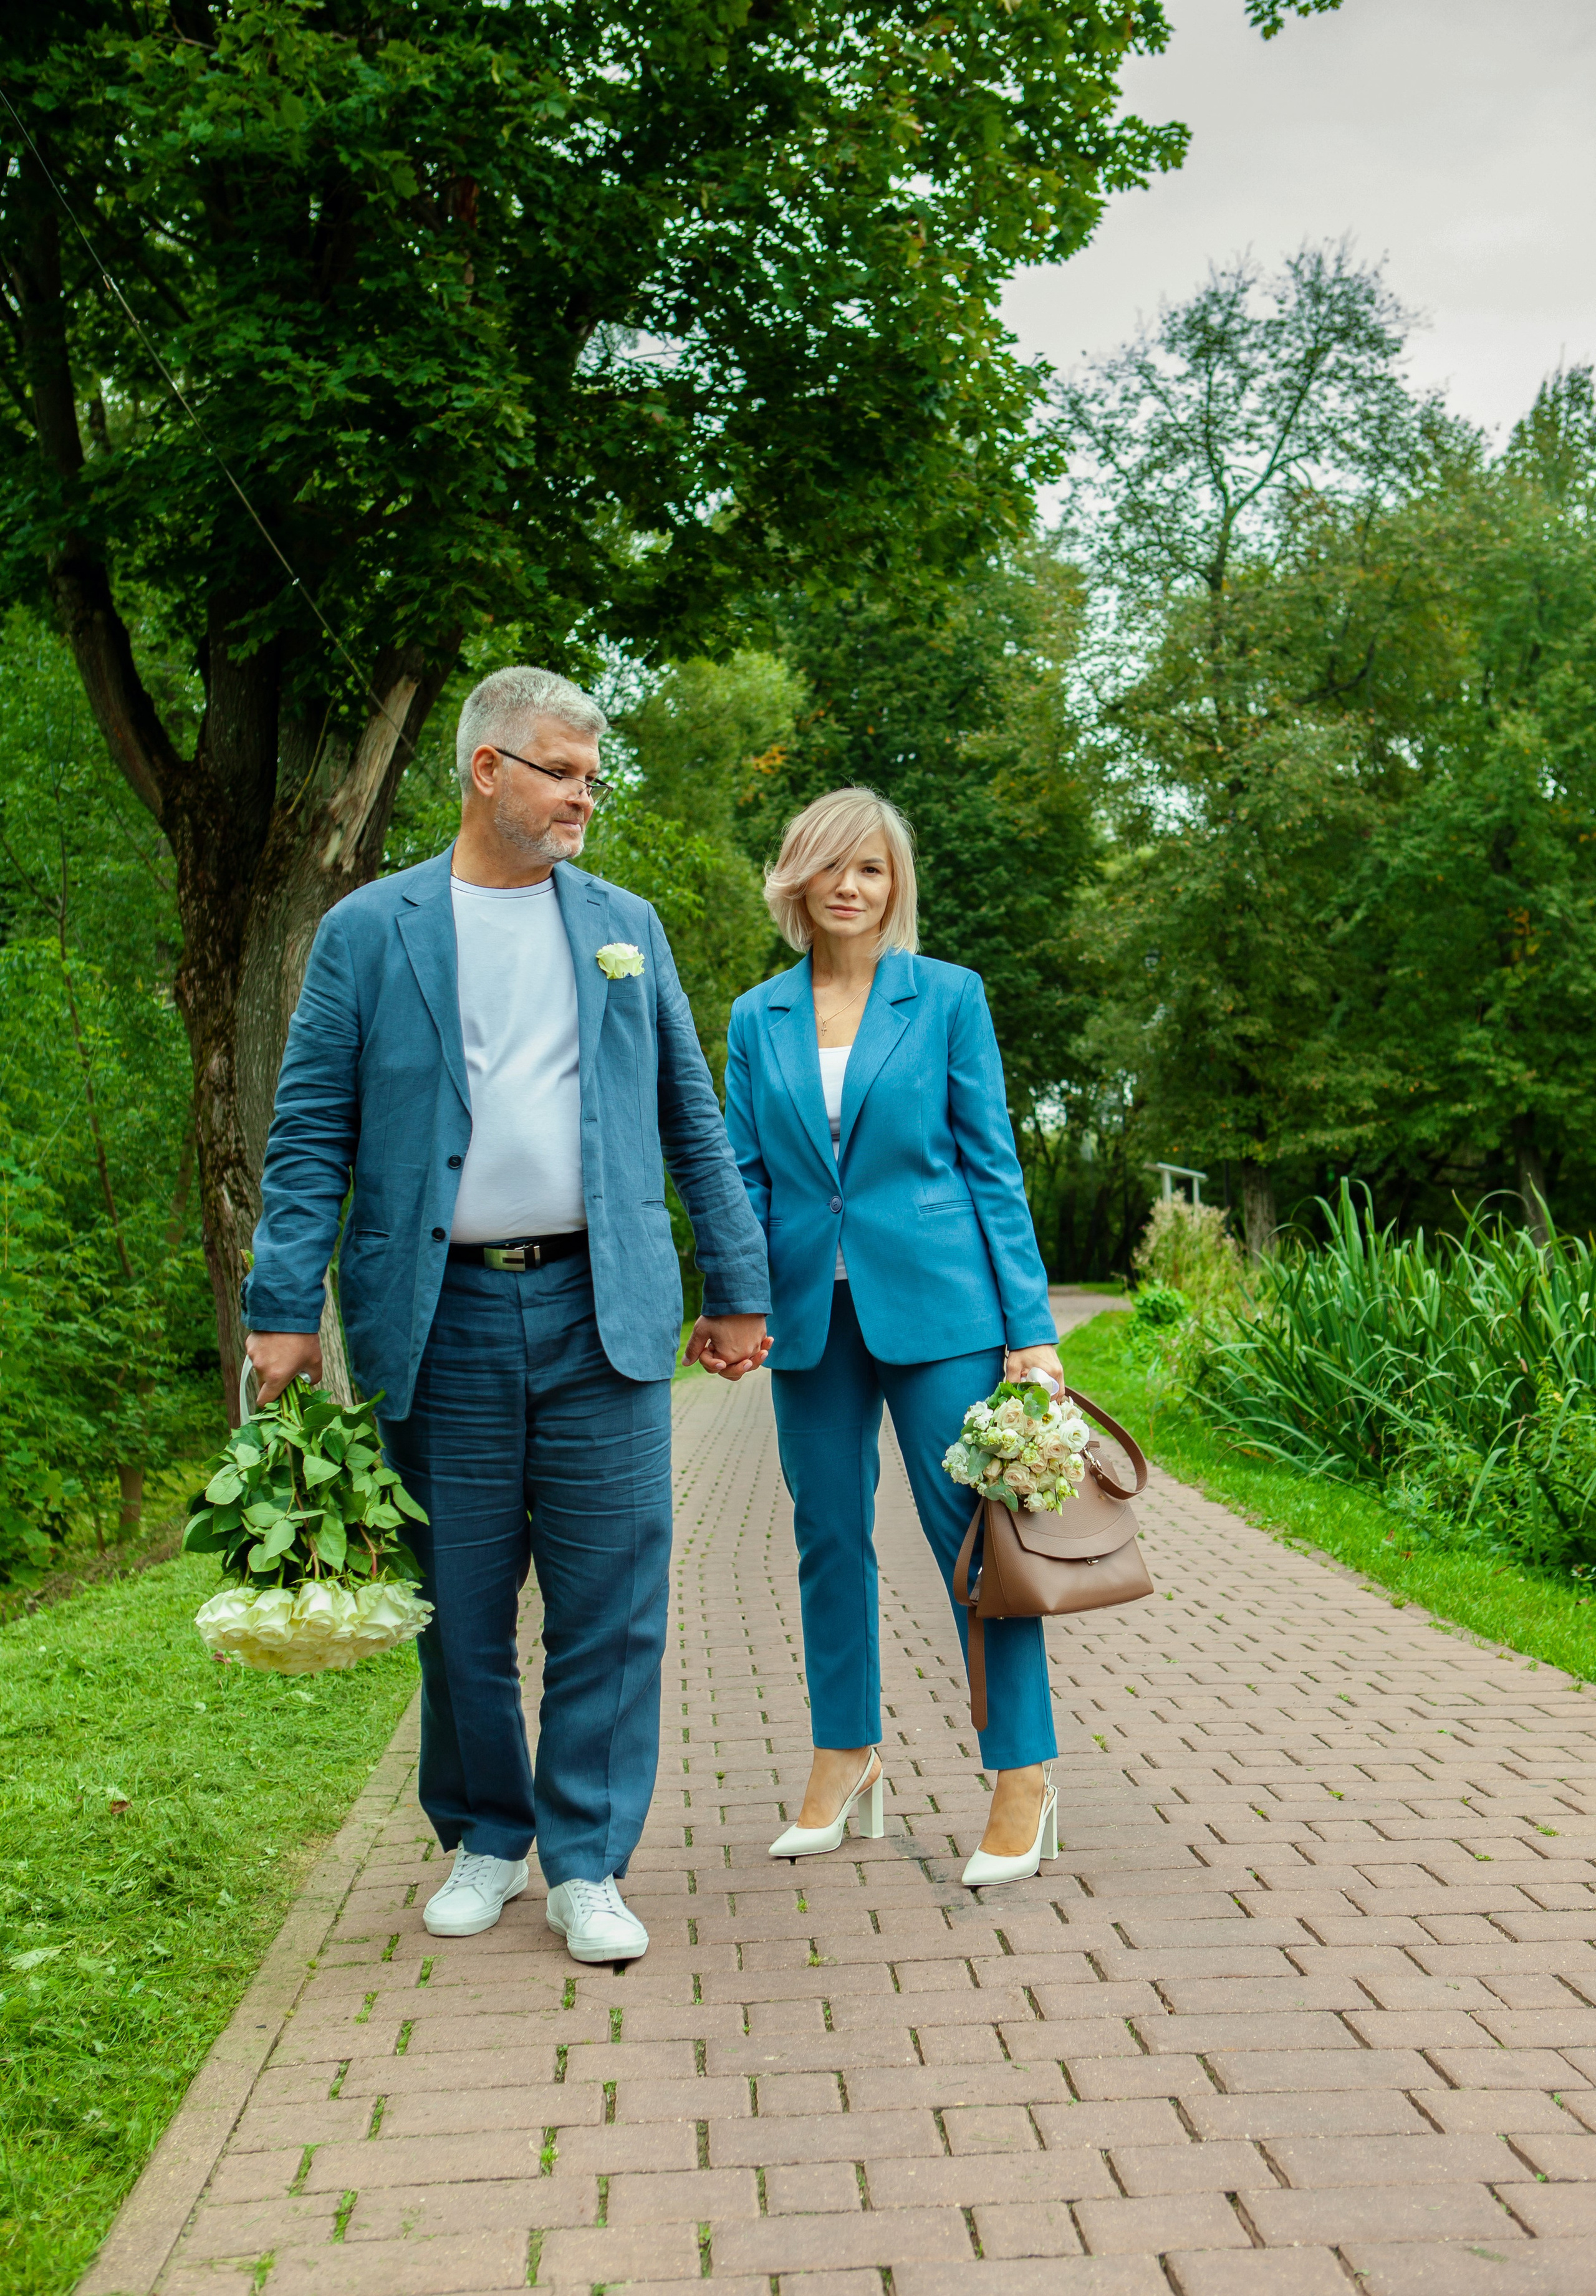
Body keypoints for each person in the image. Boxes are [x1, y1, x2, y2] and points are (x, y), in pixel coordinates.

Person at [244, 666, 771, 1961]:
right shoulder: (370, 932)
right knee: (461, 1604)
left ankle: (586, 1860)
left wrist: (737, 1285)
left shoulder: (624, 927)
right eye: (562, 771)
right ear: (488, 772)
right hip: (441, 1318)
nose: (585, 794)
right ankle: (487, 1834)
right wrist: (281, 1309)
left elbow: (687, 1122)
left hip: (605, 1309)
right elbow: (310, 1135)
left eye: (594, 774)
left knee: (611, 1598)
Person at [724, 787, 1064, 1887]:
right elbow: (742, 1174)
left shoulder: (949, 999)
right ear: (797, 881)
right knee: (828, 1534)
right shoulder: (755, 1016)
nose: (850, 886)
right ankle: (845, 1756)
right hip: (808, 1315)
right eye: (830, 866)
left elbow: (991, 1166)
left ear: (893, 884)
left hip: (941, 1306)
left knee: (976, 1543)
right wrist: (732, 1294)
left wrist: (1031, 1331)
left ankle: (1021, 1776)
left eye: (869, 868)